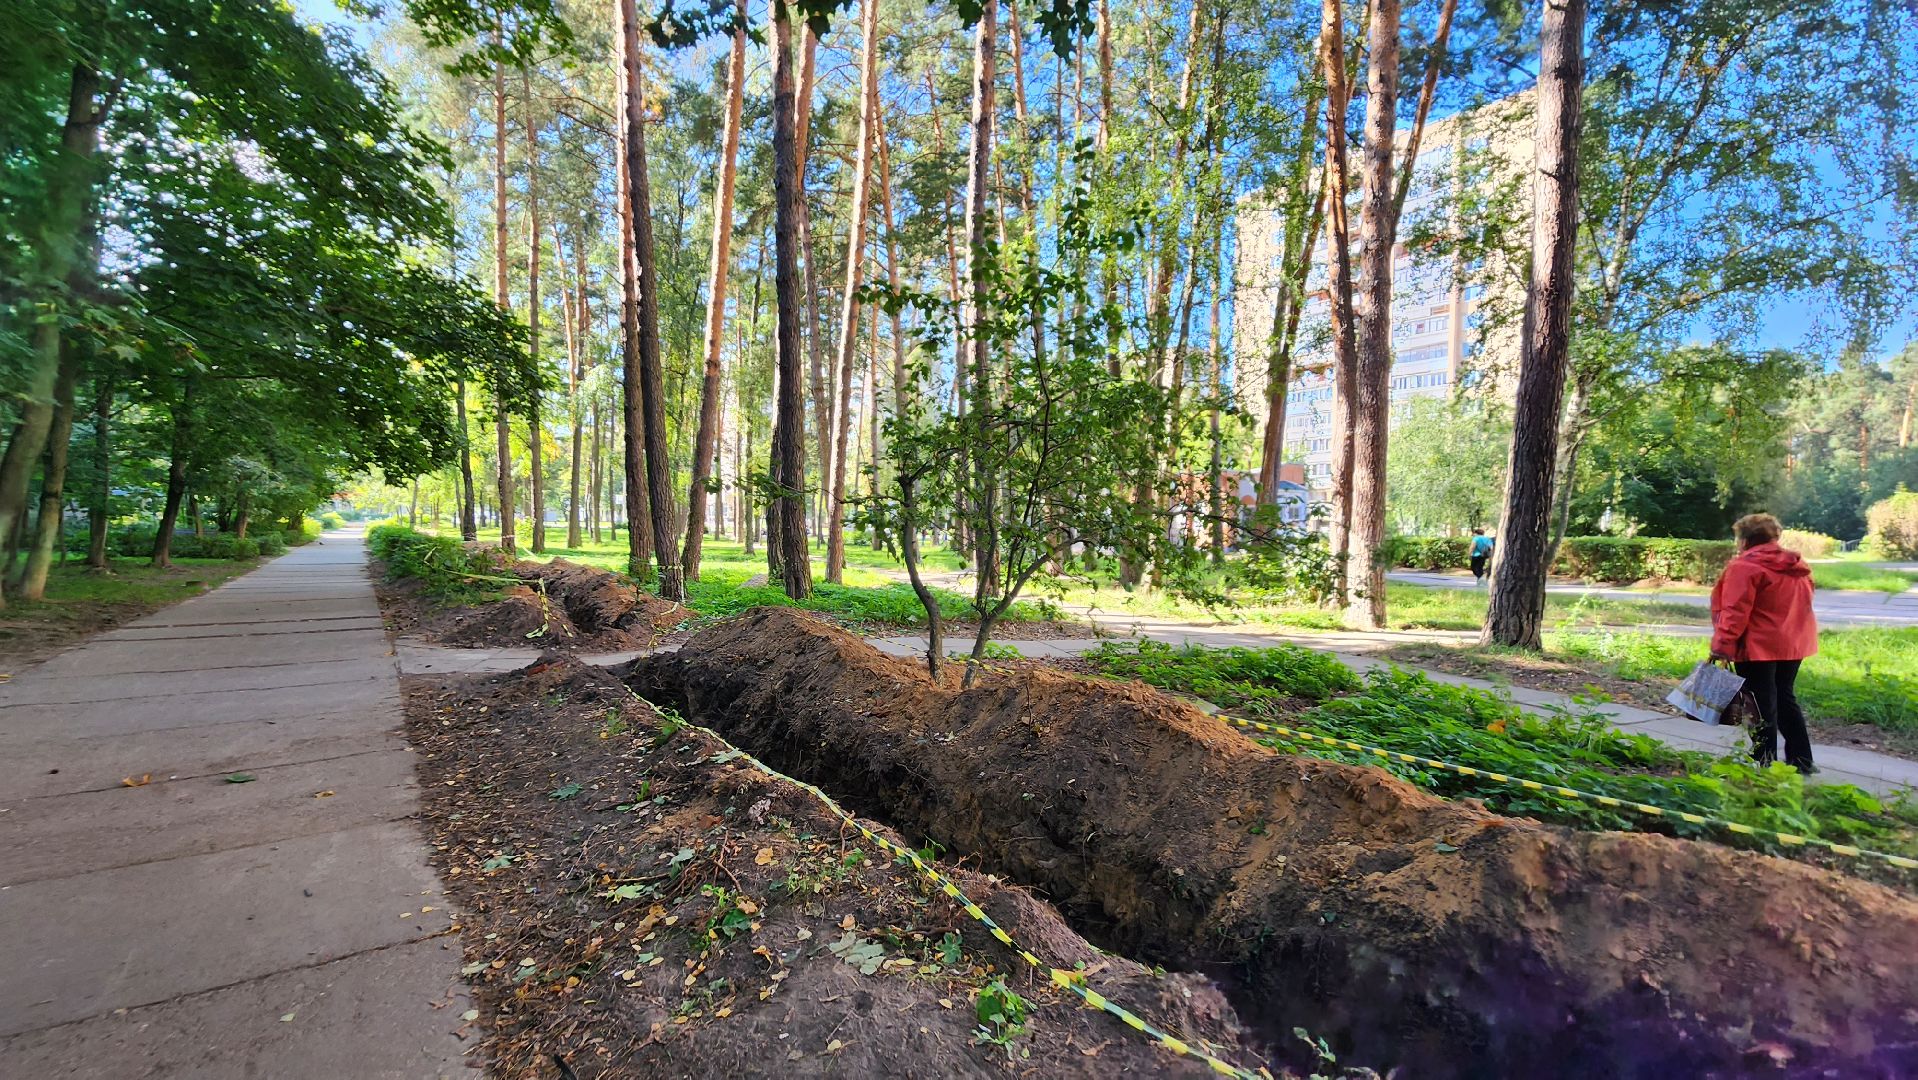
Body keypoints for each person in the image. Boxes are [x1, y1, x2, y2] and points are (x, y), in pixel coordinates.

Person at [1709, 512, 1818, 772]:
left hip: (1757, 645)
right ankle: (1802, 761)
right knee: (1784, 698)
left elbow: (1735, 610)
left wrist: (1721, 646)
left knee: (1759, 705)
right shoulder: (1797, 566)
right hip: (1793, 644)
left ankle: (1764, 763)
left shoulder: (1744, 567)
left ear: (1745, 539)